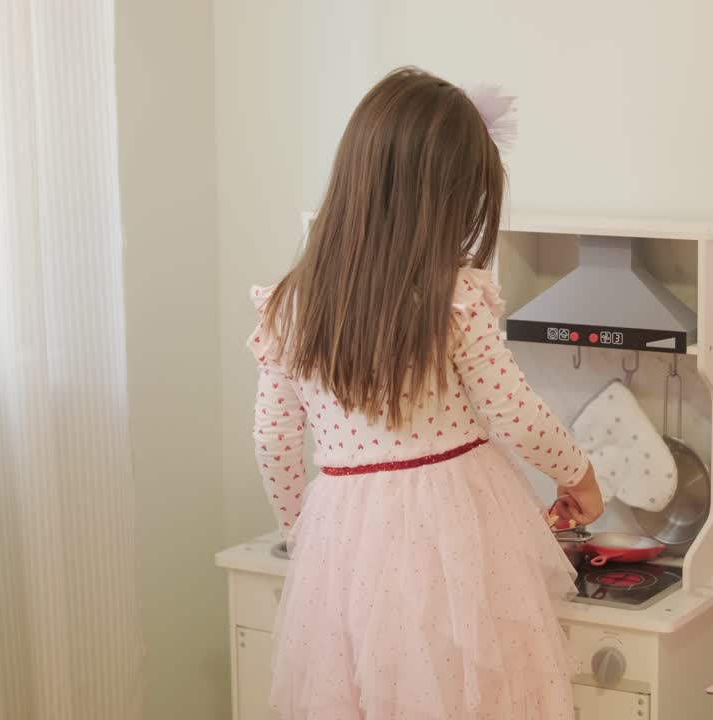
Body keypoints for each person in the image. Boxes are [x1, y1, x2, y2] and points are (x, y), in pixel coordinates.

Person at [247, 67, 604, 720]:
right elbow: (516, 415)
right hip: (453, 524)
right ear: (449, 200)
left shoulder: (289, 306)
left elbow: (272, 440)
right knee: (469, 694)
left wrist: (307, 534)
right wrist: (578, 474)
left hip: (342, 528)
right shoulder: (453, 299)